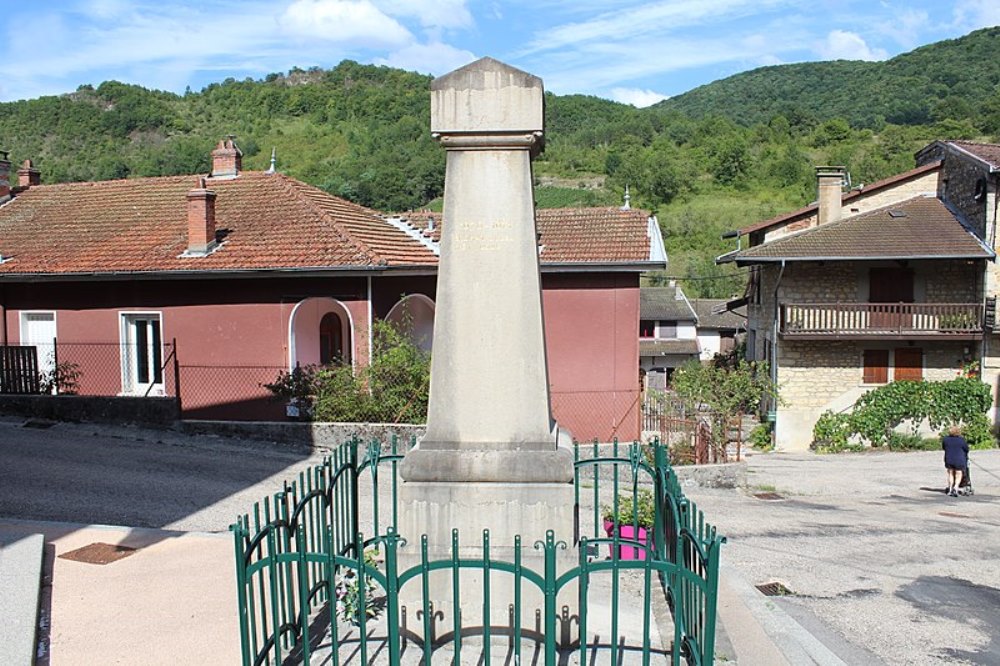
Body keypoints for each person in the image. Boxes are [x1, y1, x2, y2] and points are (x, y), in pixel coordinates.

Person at [941, 425, 969, 497]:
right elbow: (966, 449)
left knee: (950, 473)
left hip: (949, 459)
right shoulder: (961, 440)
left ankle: (950, 488)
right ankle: (956, 487)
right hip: (959, 459)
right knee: (958, 474)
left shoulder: (946, 439)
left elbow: (944, 447)